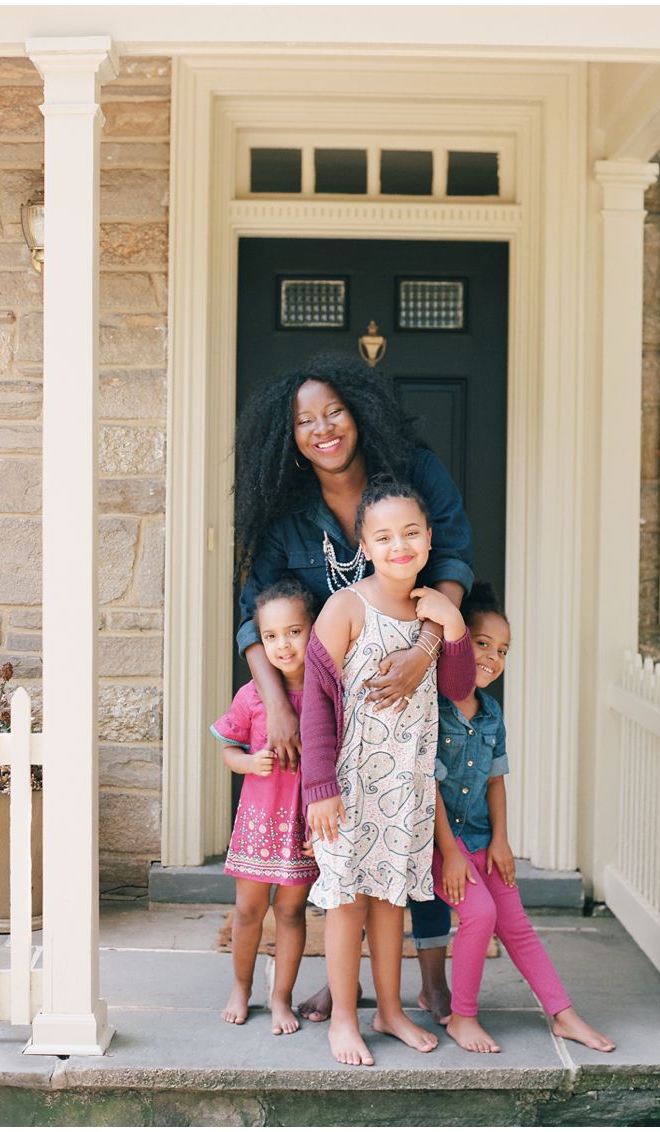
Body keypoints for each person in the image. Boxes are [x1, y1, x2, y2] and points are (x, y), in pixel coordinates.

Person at [232, 353, 472, 1024]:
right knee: (334, 854)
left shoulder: (413, 476)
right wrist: (278, 706)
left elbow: (453, 558)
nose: (322, 429)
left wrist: (428, 648)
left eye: (333, 411)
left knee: (413, 841)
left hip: (413, 696)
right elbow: (254, 609)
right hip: (326, 709)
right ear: (290, 435)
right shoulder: (286, 510)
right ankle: (342, 992)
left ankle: (426, 984)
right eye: (304, 421)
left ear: (359, 412)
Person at [299, 480, 476, 1066]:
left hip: (407, 787)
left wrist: (452, 623)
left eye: (411, 533)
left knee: (390, 901)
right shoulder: (347, 607)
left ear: (428, 540)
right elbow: (316, 703)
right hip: (349, 788)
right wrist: (319, 788)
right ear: (365, 547)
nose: (399, 544)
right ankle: (344, 1019)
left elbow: (457, 688)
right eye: (384, 536)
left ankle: (391, 1009)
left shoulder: (432, 612)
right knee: (347, 902)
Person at [429, 582, 615, 1055]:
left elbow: (495, 781)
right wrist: (450, 853)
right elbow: (423, 785)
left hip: (480, 837)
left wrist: (501, 842)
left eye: (503, 650)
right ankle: (462, 1017)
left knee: (516, 924)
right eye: (482, 643)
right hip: (436, 843)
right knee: (480, 915)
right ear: (457, 644)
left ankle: (563, 1014)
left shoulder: (491, 713)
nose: (492, 657)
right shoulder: (431, 707)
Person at [212, 579, 320, 1034]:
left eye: (294, 632)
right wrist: (248, 762)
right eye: (271, 636)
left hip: (302, 825)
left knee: (293, 913)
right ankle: (241, 988)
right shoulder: (253, 697)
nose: (283, 645)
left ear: (314, 630)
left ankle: (282, 998)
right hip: (258, 823)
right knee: (249, 911)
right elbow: (227, 750)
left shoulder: (326, 695)